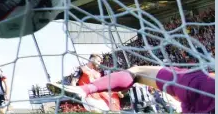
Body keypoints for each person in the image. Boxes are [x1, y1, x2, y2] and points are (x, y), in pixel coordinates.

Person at [47, 65, 215, 114]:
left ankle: (84, 90)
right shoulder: (86, 69)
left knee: (137, 72)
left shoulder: (195, 82)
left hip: (200, 87)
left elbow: (136, 75)